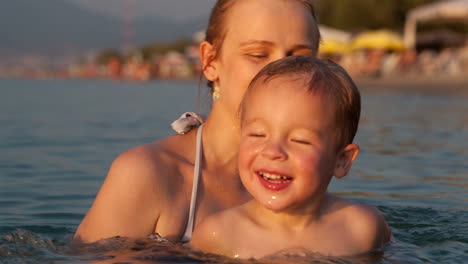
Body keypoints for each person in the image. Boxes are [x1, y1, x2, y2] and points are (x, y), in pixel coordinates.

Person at [73, 0, 321, 243]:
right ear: (210, 61)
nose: (280, 70)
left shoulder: (312, 178)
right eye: (258, 54)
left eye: (300, 58)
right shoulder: (149, 175)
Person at [189, 56, 391, 258]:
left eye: (300, 140)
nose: (273, 152)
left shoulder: (362, 229)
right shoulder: (218, 235)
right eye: (258, 134)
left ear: (342, 160)